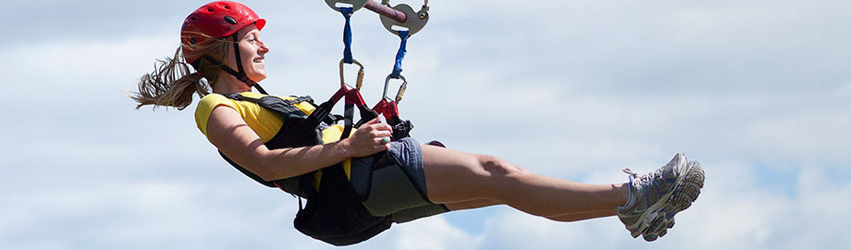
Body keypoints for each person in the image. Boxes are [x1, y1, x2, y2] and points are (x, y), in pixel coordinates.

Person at [132, 1, 705, 245]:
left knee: (502, 182)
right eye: (249, 38)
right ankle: (631, 197)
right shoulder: (217, 109)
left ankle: (628, 208)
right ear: (217, 52)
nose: (262, 45)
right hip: (355, 177)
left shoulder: (260, 98)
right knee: (498, 171)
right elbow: (262, 162)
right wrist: (349, 144)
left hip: (356, 190)